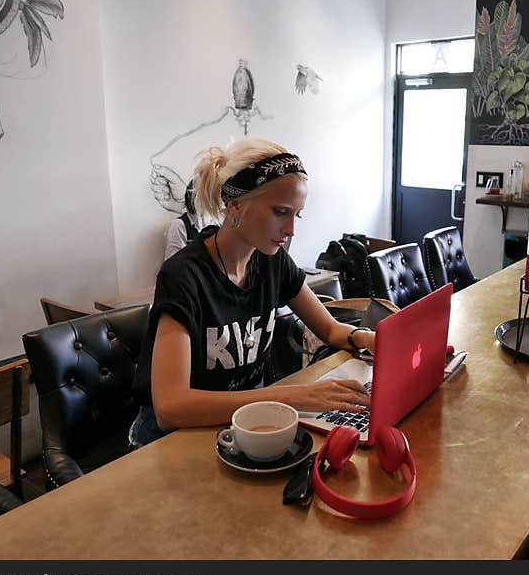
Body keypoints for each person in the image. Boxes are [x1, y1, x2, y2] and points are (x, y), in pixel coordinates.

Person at [129, 138, 374, 447]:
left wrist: (367, 338)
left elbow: (329, 328)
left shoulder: (272, 261)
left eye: (296, 215)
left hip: (244, 424)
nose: (291, 230)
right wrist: (296, 396)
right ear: (235, 205)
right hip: (173, 439)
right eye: (280, 212)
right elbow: (170, 407)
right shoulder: (183, 277)